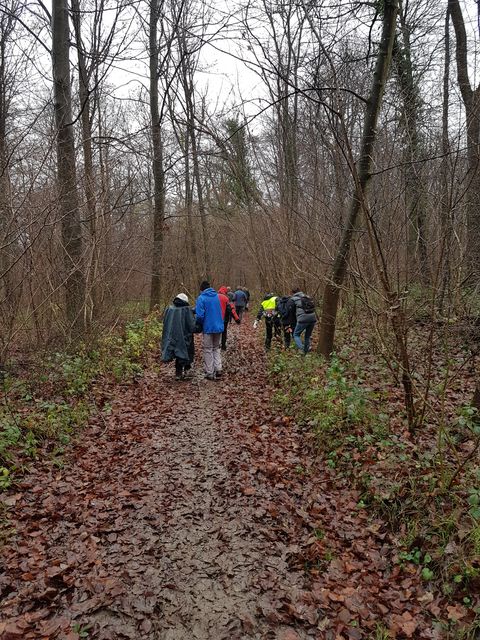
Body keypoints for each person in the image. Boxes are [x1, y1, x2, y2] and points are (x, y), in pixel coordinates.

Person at [161, 293, 195, 380]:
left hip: (172, 335)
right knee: (186, 351)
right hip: (184, 335)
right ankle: (187, 370)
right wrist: (199, 327)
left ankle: (178, 373)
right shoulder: (186, 310)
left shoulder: (170, 309)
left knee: (177, 352)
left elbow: (165, 322)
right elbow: (191, 325)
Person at [195, 280, 224, 380]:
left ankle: (210, 372)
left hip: (208, 327)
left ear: (201, 289)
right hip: (219, 326)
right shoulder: (216, 297)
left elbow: (200, 316)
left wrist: (198, 324)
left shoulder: (201, 298)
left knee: (208, 349)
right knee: (216, 348)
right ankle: (218, 368)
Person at [287, 288, 316, 354]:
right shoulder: (307, 297)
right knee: (307, 336)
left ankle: (302, 348)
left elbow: (290, 310)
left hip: (303, 319)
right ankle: (306, 351)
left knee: (296, 335)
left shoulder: (293, 299)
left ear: (292, 293)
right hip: (313, 318)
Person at [218, 286, 240, 351]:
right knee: (224, 332)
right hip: (224, 319)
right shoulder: (225, 298)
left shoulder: (214, 297)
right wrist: (237, 319)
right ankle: (223, 346)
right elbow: (231, 309)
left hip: (216, 318)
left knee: (217, 332)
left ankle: (216, 345)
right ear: (225, 291)